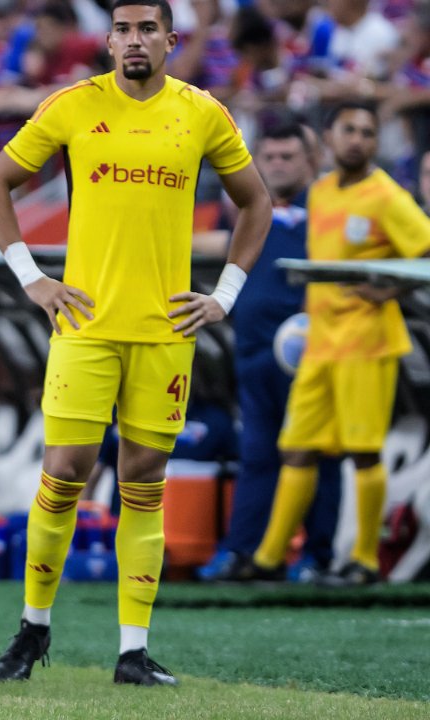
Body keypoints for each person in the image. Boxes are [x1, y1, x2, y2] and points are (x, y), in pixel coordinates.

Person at [0, 0, 271, 686]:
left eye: (147, 29)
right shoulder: (73, 106)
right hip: (85, 325)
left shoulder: (202, 113)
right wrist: (31, 279)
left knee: (143, 483)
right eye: (123, 29)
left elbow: (255, 202)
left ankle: (133, 652)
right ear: (108, 40)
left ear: (170, 39)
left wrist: (224, 294)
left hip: (167, 331)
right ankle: (33, 629)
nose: (135, 40)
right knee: (66, 473)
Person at [246, 101, 430, 586]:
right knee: (297, 449)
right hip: (319, 341)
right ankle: (267, 560)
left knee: (363, 453)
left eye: (368, 132)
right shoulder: (321, 193)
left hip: (367, 341)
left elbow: (426, 248)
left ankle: (364, 561)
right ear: (328, 138)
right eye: (349, 130)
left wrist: (387, 289)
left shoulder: (386, 195)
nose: (359, 140)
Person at [196, 123, 343, 583]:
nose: (277, 165)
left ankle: (317, 557)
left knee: (318, 455)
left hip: (311, 353)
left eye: (288, 157)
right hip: (253, 352)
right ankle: (244, 552)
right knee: (256, 454)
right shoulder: (247, 212)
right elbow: (219, 248)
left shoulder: (327, 209)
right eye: (270, 157)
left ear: (311, 162)